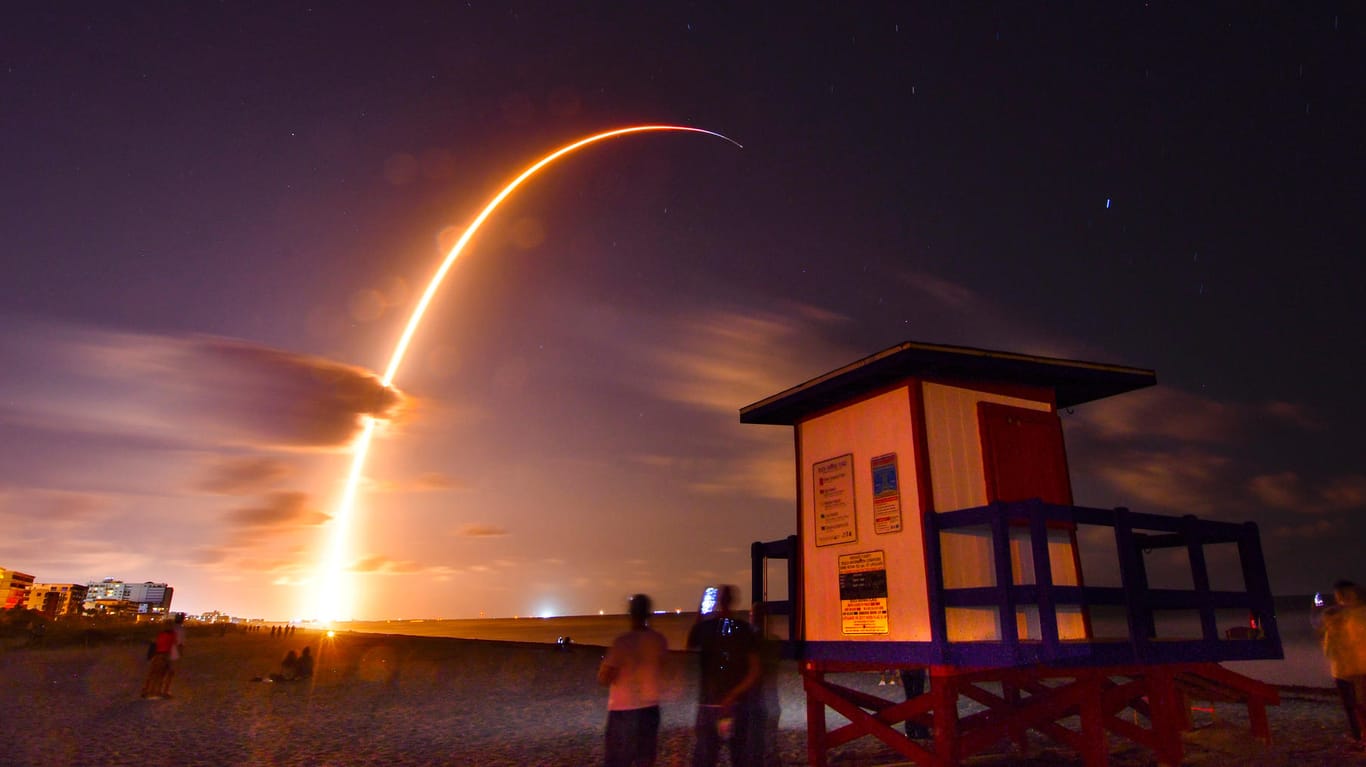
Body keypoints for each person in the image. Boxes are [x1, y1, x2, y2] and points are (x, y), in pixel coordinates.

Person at [687, 585, 761, 767]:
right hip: (737, 704)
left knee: (705, 756)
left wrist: (701, 612)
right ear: (734, 601)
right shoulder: (744, 629)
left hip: (709, 702)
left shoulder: (705, 628)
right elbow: (754, 670)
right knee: (740, 755)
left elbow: (690, 643)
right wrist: (734, 694)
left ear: (718, 601)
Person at [598, 594, 669, 767]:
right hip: (650, 708)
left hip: (623, 709)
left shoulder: (622, 642)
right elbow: (662, 669)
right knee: (645, 758)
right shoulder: (659, 640)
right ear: (648, 613)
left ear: (630, 614)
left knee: (617, 760)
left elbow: (604, 677)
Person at [1315, 580, 1366, 746]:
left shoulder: (1338, 615)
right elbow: (1328, 643)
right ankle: (1359, 737)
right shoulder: (1336, 615)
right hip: (1347, 666)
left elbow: (1329, 643)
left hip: (1352, 666)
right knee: (1354, 705)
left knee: (1355, 706)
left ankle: (1360, 737)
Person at [141, 621, 178, 699]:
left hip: (157, 655)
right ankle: (158, 691)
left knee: (153, 674)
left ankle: (147, 690)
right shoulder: (172, 635)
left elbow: (156, 644)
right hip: (165, 655)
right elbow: (174, 644)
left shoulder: (160, 634)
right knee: (161, 675)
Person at [159, 613, 186, 697]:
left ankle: (157, 689)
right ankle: (165, 691)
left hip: (162, 650)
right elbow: (180, 643)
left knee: (162, 671)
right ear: (182, 620)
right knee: (170, 672)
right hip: (173, 651)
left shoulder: (169, 627)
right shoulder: (181, 629)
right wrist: (180, 653)